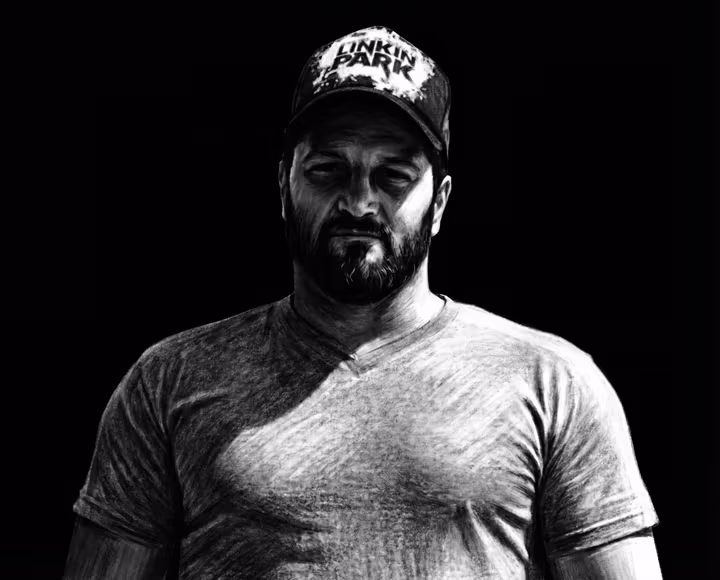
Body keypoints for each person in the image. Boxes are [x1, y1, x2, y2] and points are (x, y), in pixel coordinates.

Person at [64, 26, 662, 579]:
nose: (358, 202)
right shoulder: (169, 382)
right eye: (328, 169)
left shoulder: (553, 384)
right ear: (283, 185)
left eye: (393, 176)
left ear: (440, 202)